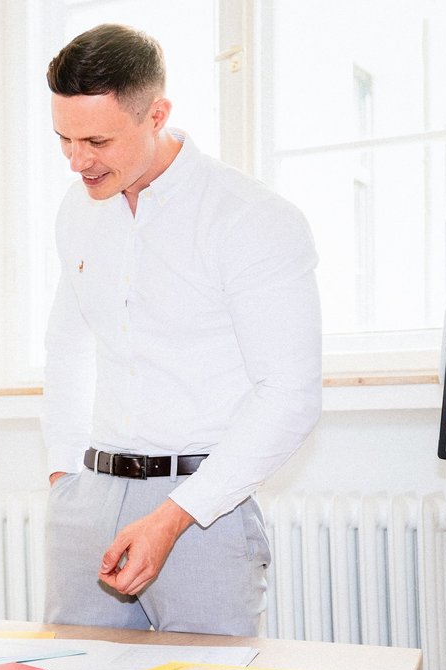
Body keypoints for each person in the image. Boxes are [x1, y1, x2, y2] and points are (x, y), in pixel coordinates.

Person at [40, 24, 321, 636]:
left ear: (157, 114)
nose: (78, 160)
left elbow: (290, 394)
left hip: (203, 511)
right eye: (63, 138)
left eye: (96, 140)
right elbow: (69, 344)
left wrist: (172, 518)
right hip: (89, 501)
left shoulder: (251, 219)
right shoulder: (77, 209)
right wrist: (65, 477)